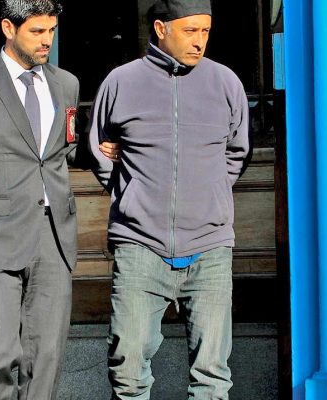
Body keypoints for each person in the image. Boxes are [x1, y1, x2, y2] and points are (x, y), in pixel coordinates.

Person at [0, 1, 114, 398]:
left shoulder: (66, 84)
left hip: (54, 237)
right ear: (8, 28)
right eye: (37, 32)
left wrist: (102, 149)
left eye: (51, 31)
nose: (46, 40)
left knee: (45, 355)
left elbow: (65, 149)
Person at [88, 0, 250, 398]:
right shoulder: (121, 82)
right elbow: (100, 149)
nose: (200, 42)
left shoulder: (226, 83)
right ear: (161, 29)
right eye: (190, 31)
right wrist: (131, 194)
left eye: (205, 31)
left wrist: (210, 192)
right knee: (127, 371)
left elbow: (237, 151)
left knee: (212, 376)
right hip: (139, 246)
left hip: (210, 246)